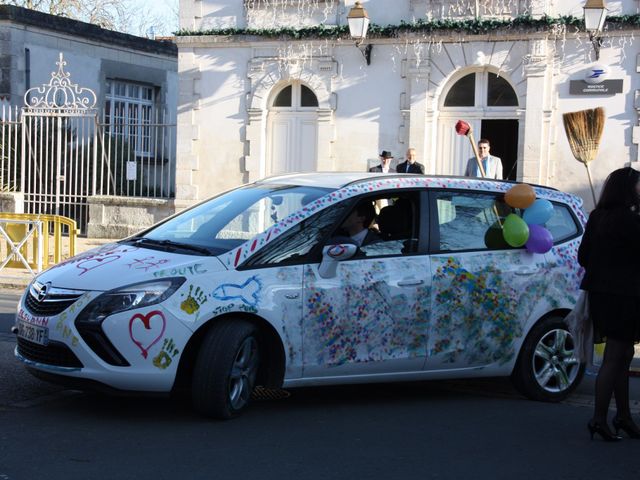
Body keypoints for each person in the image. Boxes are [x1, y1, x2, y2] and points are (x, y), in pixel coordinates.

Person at [578, 166, 640, 442]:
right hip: (624, 296)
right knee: (615, 356)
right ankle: (600, 419)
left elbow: (583, 257)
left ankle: (623, 416)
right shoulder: (629, 220)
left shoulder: (597, 217)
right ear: (629, 189)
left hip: (601, 294)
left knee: (622, 355)